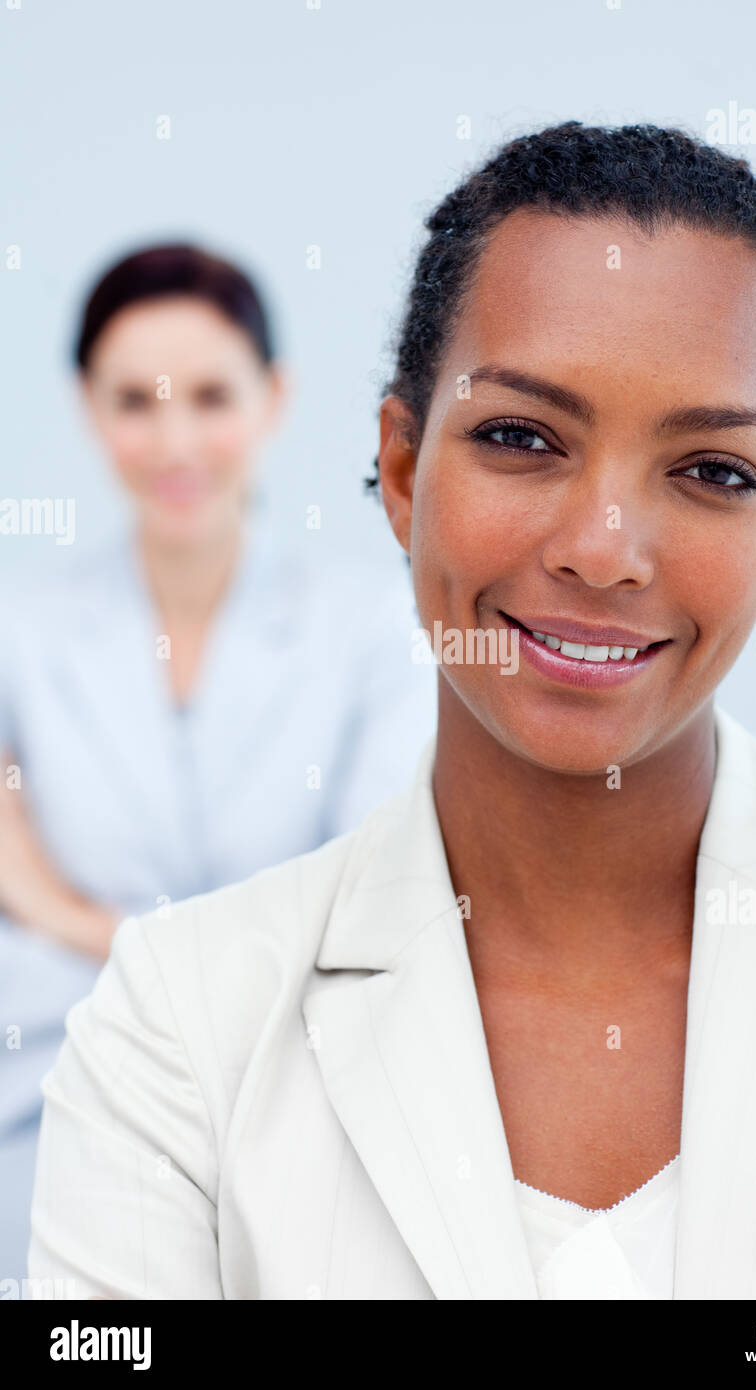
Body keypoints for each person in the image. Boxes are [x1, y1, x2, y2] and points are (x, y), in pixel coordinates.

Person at [27, 125, 756, 1301]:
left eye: (714, 470)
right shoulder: (179, 1020)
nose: (606, 552)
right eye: (520, 437)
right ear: (402, 471)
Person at [1, 244, 434, 1282]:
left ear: (274, 397)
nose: (176, 440)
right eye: (136, 402)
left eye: (210, 395)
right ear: (87, 407)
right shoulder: (23, 629)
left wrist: (73, 920)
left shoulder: (374, 630)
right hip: (51, 1093)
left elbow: (364, 909)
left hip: (299, 1091)